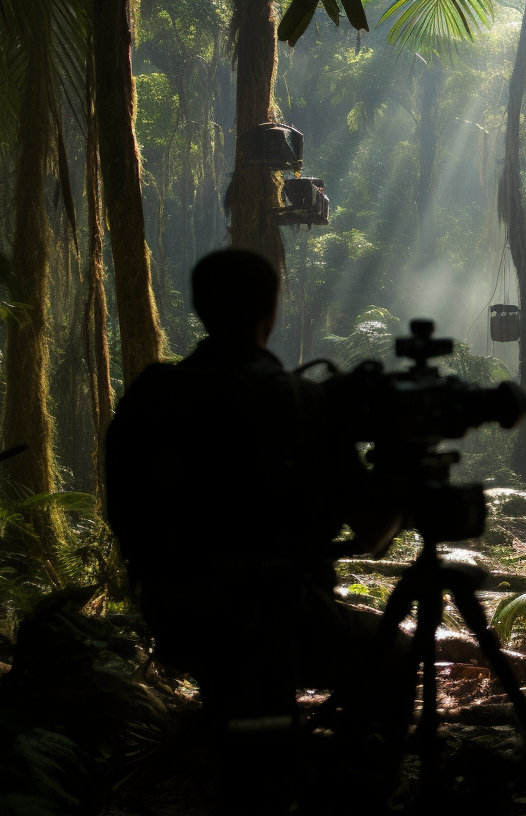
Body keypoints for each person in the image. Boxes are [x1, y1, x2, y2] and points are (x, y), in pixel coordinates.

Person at [106, 249, 403, 809]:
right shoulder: (296, 402)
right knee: (392, 656)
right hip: (277, 618)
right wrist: (399, 464)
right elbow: (372, 531)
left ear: (200, 308)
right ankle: (354, 792)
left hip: (178, 615)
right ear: (270, 309)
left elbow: (125, 509)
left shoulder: (152, 395)